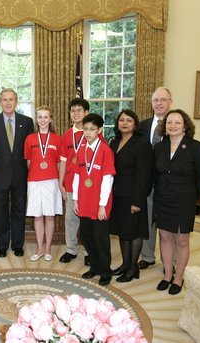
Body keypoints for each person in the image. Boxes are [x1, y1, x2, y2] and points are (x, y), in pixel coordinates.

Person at [154, 109, 200, 295]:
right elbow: (155, 174)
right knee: (165, 237)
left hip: (184, 199)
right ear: (164, 125)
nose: (173, 126)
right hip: (163, 199)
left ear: (185, 125)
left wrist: (192, 197)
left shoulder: (195, 147)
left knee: (182, 239)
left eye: (177, 122)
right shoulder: (159, 147)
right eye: (169, 122)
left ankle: (179, 277)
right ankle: (168, 274)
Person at [0, 88, 34, 258]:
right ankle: (2, 244)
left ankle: (18, 244)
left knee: (19, 209)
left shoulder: (27, 122)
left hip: (21, 174)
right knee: (0, 210)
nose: (7, 102)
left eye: (11, 99)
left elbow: (30, 150)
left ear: (16, 101)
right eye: (4, 99)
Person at [109, 110, 152, 282]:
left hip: (133, 196)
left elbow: (144, 175)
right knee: (122, 231)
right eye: (121, 120)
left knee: (133, 232)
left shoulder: (142, 144)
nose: (125, 123)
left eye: (129, 120)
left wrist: (138, 200)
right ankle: (126, 264)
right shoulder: (114, 142)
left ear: (135, 123)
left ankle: (133, 268)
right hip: (117, 195)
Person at [73, 113, 115, 286]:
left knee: (100, 238)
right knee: (86, 235)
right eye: (85, 129)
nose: (88, 133)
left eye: (92, 129)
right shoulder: (81, 149)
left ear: (99, 130)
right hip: (84, 201)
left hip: (99, 204)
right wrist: (75, 199)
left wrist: (102, 205)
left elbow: (108, 179)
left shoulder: (105, 150)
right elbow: (77, 175)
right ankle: (95, 267)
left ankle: (106, 270)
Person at [138, 87, 173, 270]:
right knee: (148, 220)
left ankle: (171, 262)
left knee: (168, 225)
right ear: (151, 103)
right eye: (156, 100)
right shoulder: (143, 125)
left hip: (169, 184)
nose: (159, 103)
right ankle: (148, 256)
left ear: (170, 103)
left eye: (163, 99)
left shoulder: (176, 124)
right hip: (148, 182)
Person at [24, 106, 62, 262]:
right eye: (40, 117)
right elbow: (28, 162)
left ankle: (48, 249)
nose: (43, 120)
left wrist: (58, 181)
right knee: (38, 216)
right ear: (36, 119)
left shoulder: (57, 139)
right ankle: (40, 248)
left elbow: (59, 163)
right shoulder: (30, 138)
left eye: (46, 117)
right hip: (34, 181)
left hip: (52, 181)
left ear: (50, 119)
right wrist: (37, 172)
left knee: (50, 216)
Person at [58, 98, 89, 264]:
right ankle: (71, 249)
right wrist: (60, 182)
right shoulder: (67, 135)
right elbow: (63, 160)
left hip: (87, 185)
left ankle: (88, 251)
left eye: (79, 110)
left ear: (86, 113)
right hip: (70, 183)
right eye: (73, 111)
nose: (76, 114)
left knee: (86, 219)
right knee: (71, 218)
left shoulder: (92, 132)